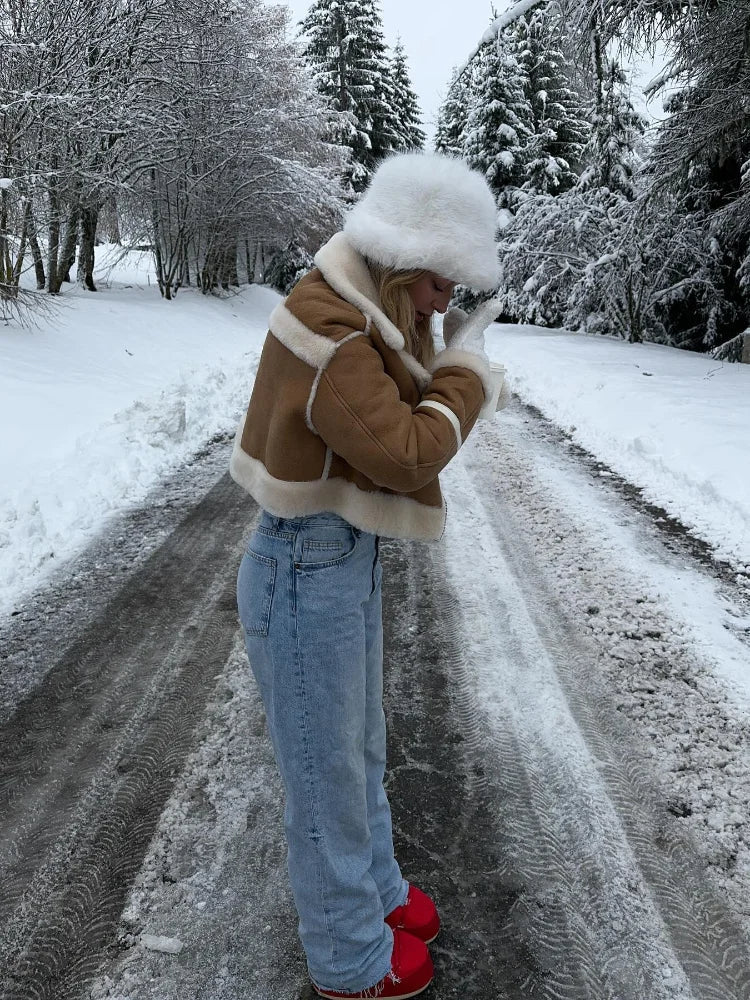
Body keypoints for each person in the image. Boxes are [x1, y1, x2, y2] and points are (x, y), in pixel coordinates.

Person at [231, 152, 502, 999]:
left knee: (358, 751)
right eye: (436, 286)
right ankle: (349, 957)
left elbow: (400, 390)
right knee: (324, 779)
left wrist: (441, 350)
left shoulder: (358, 312)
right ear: (399, 264)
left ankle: (377, 894)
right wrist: (465, 373)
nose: (443, 303)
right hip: (305, 568)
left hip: (335, 559)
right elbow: (406, 449)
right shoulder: (333, 333)